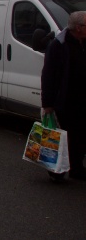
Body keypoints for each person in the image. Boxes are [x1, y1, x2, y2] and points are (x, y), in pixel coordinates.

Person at [41, 10, 86, 181]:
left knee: (80, 136)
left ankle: (76, 168)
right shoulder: (59, 45)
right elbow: (48, 75)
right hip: (65, 100)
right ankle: (56, 169)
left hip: (83, 99)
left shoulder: (84, 42)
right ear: (79, 27)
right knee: (61, 136)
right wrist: (47, 103)